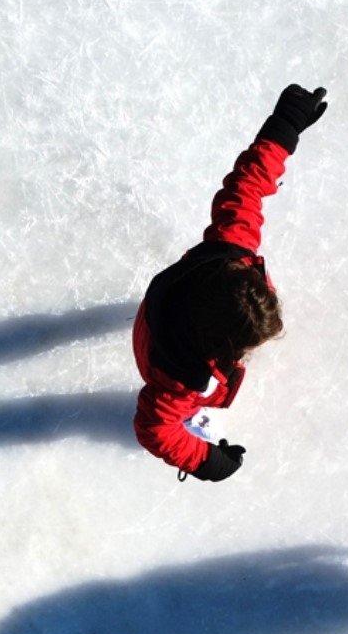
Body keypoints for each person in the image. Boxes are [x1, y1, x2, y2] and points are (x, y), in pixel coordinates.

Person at [132, 84, 327, 481]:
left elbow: (248, 186)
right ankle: (198, 425)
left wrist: (285, 125)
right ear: (223, 349)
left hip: (166, 305)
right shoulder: (180, 381)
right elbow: (155, 429)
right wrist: (206, 462)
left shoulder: (230, 251)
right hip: (150, 341)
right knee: (184, 414)